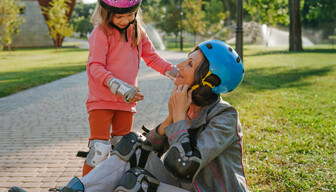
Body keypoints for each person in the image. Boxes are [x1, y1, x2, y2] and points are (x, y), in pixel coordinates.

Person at [9, 40, 248, 192]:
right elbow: (150, 146)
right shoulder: (185, 105)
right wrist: (169, 121)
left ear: (208, 81)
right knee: (131, 145)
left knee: (138, 184)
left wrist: (178, 119)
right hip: (183, 186)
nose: (179, 66)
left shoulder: (224, 116)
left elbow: (183, 166)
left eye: (189, 64)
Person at [79, 0, 178, 176]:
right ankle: (86, 187)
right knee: (100, 150)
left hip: (126, 103)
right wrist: (122, 88)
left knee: (123, 150)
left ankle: (114, 186)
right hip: (101, 101)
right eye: (119, 16)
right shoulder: (101, 33)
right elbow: (95, 67)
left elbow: (152, 58)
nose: (126, 20)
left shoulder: (137, 31)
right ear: (106, 12)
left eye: (130, 14)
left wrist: (173, 72)